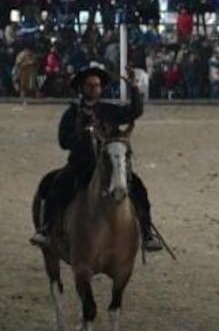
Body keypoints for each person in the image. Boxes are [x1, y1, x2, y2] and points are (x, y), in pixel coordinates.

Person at [30, 62, 162, 252]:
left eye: (97, 85)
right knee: (57, 185)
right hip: (81, 164)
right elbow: (63, 141)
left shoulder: (108, 110)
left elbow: (134, 111)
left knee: (139, 189)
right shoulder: (72, 113)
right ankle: (47, 229)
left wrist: (134, 88)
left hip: (108, 164)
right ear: (82, 88)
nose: (94, 89)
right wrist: (81, 136)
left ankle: (147, 233)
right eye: (90, 85)